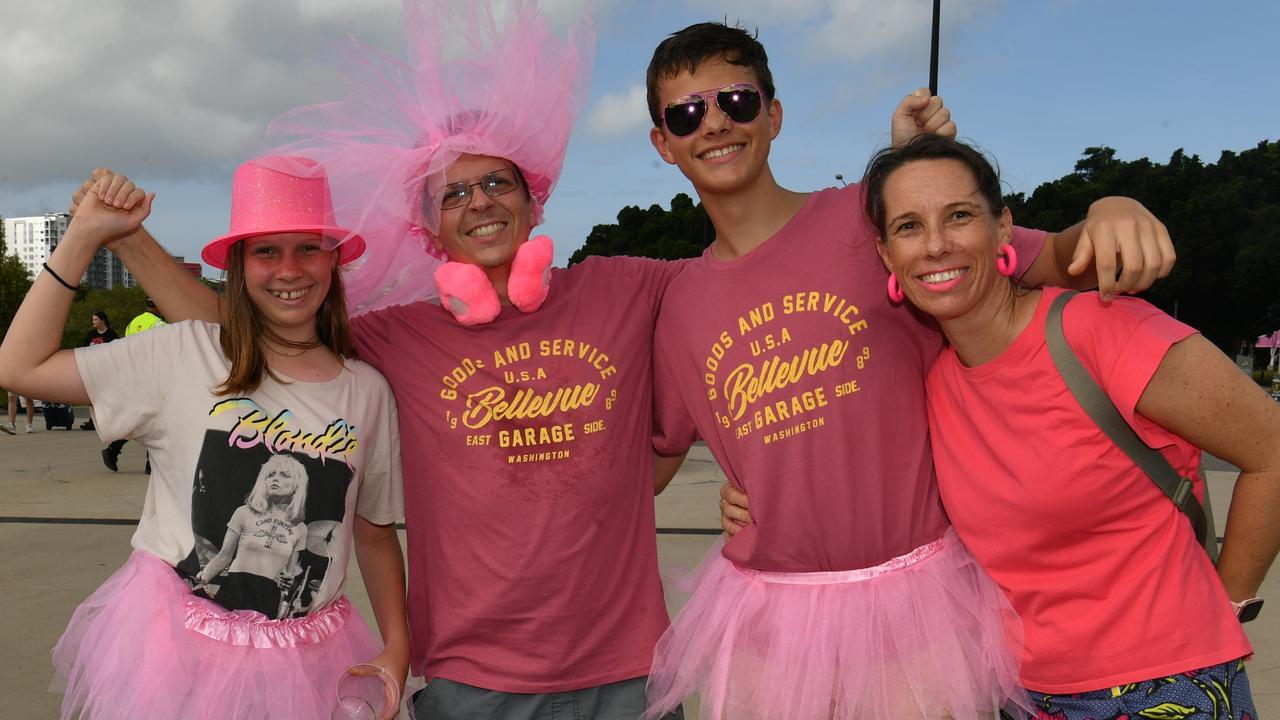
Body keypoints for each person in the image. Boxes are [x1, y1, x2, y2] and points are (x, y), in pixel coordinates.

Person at [641, 22, 1179, 720]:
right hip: (767, 616)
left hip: (917, 605)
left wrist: (1111, 209)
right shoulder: (678, 302)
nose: (714, 124)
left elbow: (1042, 260)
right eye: (686, 113)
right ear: (662, 142)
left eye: (736, 102)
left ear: (772, 115)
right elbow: (643, 469)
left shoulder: (874, 218)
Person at [851, 134, 1276, 719]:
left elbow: (1271, 449)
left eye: (959, 215)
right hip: (1022, 694)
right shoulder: (934, 380)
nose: (937, 245)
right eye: (908, 226)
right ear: (885, 255)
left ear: (1003, 229)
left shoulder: (1098, 328)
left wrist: (1228, 603)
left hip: (1166, 684)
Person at [0, 156, 410, 719]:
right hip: (176, 655)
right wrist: (84, 236)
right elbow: (19, 368)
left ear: (334, 261)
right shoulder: (185, 352)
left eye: (308, 247)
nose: (289, 269)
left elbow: (374, 530)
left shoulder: (365, 390)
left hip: (311, 657)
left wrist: (398, 646)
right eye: (266, 250)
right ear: (239, 266)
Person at [103, 297, 166, 472]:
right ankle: (150, 463)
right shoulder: (159, 325)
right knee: (156, 419)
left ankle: (113, 449)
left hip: (134, 376)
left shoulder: (133, 323)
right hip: (153, 377)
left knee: (138, 418)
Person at [79, 309, 118, 431]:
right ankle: (93, 421)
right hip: (92, 370)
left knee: (106, 396)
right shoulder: (91, 335)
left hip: (106, 370)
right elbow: (84, 349)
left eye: (95, 319)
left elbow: (117, 351)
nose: (93, 322)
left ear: (103, 320)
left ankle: (109, 421)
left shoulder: (111, 335)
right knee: (92, 397)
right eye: (93, 320)